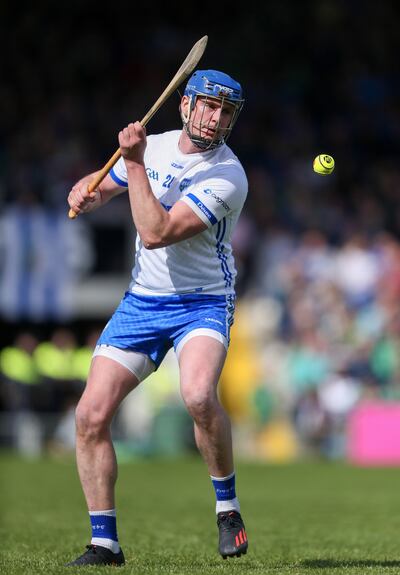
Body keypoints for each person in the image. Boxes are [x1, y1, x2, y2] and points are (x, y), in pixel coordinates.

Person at [66, 69, 248, 567]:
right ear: (185, 105)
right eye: (208, 106)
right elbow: (105, 188)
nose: (215, 118)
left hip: (203, 302)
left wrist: (135, 162)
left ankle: (227, 507)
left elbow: (156, 231)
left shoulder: (228, 176)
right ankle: (105, 543)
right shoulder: (161, 145)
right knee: (90, 416)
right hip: (144, 301)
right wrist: (86, 189)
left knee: (197, 395)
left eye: (226, 111)